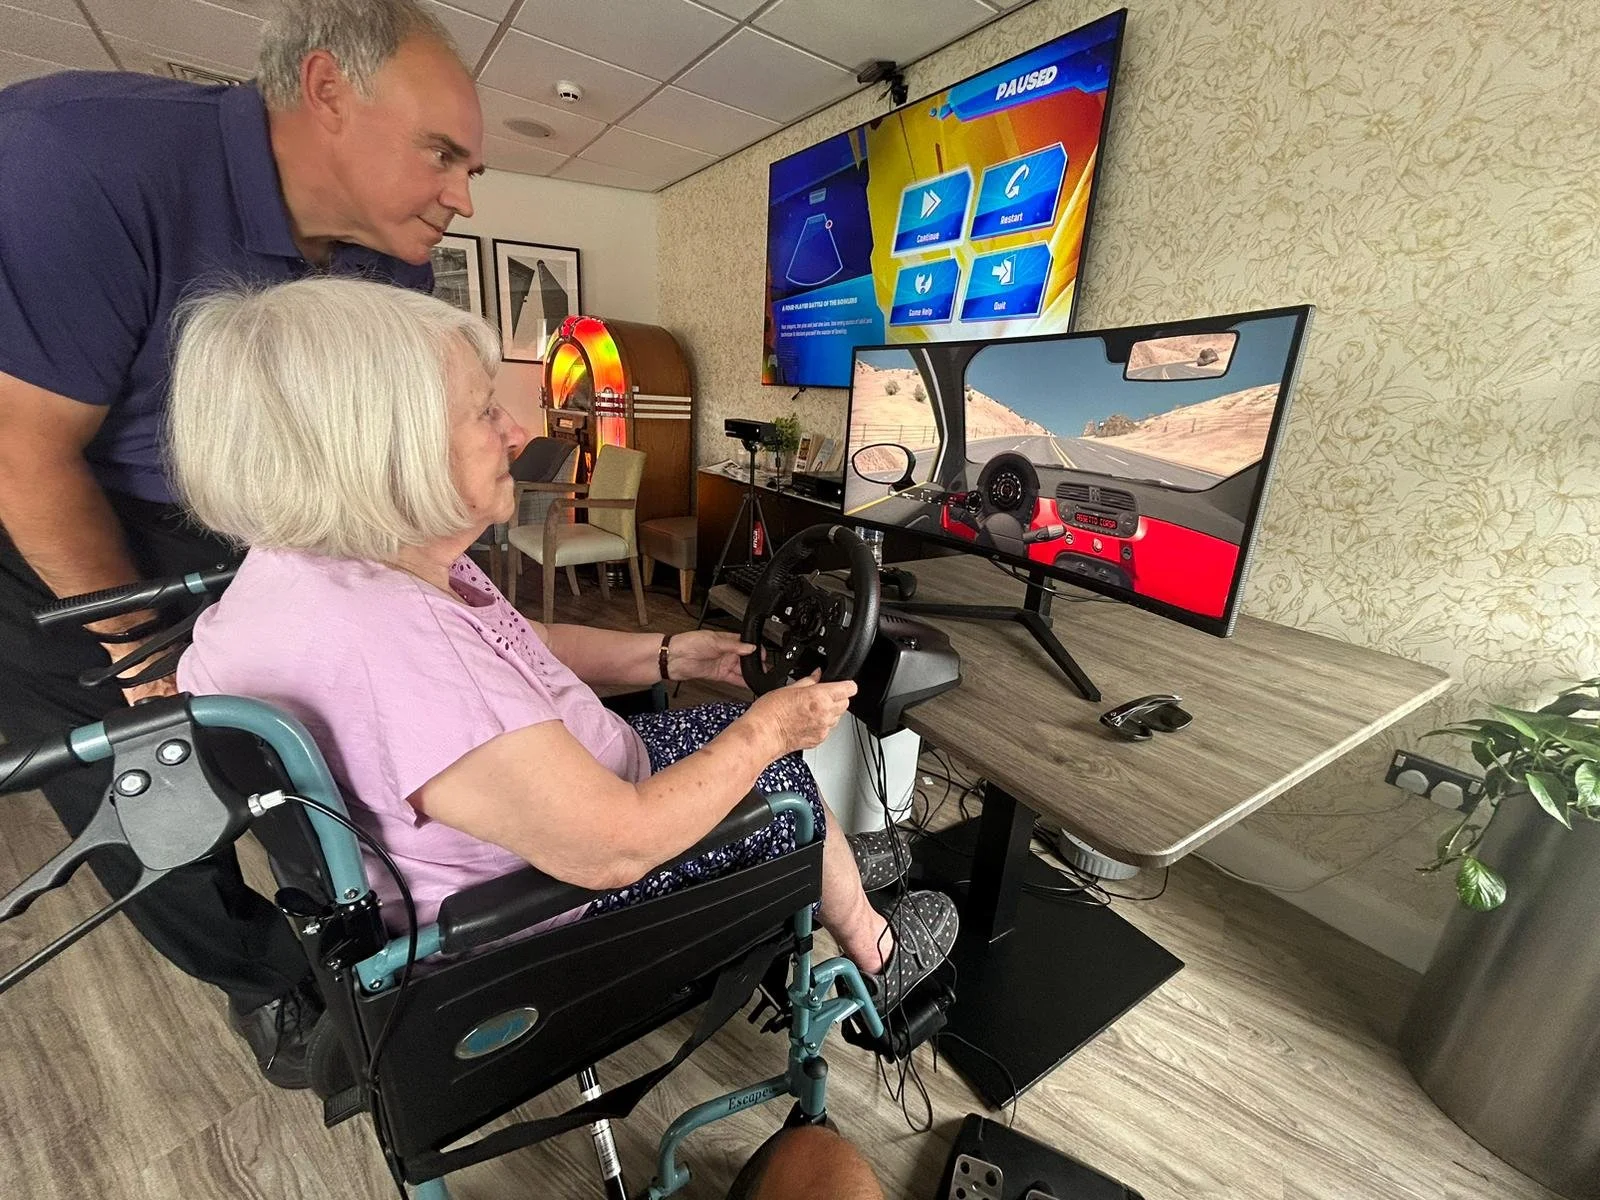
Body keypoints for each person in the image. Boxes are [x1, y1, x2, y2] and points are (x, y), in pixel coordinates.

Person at [167, 277, 958, 1014]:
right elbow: (616, 849)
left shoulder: (328, 570)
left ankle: (828, 874)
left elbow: (525, 643)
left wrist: (672, 655)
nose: (517, 430)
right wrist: (770, 730)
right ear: (383, 451)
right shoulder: (393, 648)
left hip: (555, 805)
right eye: (484, 412)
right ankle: (878, 960)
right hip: (552, 909)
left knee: (749, 752)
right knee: (781, 773)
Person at [0, 0, 484, 1087]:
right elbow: (26, 459)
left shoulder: (386, 260)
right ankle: (271, 989)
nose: (461, 195)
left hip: (223, 506)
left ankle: (370, 955)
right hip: (30, 508)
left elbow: (355, 451)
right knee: (154, 783)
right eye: (442, 153)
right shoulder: (76, 158)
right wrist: (145, 660)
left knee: (304, 737)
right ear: (324, 93)